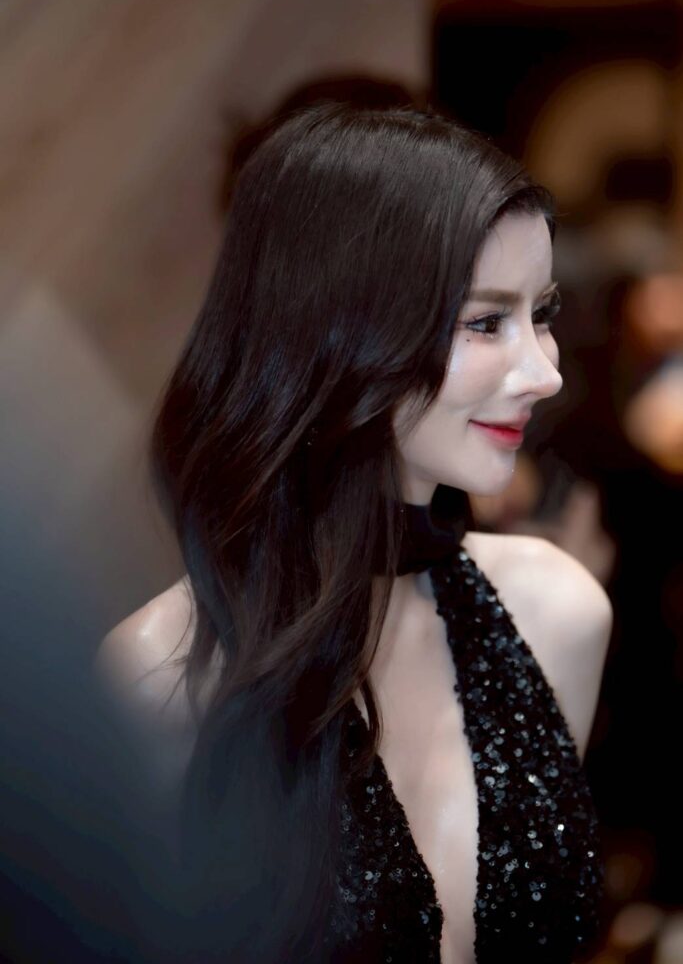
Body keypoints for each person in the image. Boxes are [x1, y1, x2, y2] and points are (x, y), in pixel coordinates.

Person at [96, 102, 614, 964]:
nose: (544, 372)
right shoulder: (158, 680)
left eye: (543, 313)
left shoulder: (557, 611)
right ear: (340, 331)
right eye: (486, 322)